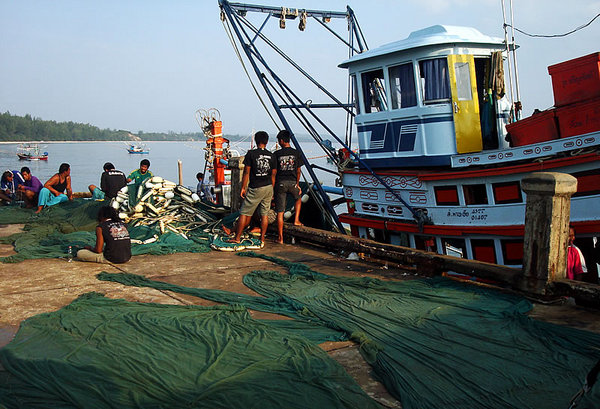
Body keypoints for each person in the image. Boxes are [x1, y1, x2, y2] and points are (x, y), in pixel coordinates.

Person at [229, 131, 276, 246]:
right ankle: (262, 239)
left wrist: (243, 188)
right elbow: (273, 175)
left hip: (256, 187)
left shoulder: (251, 154)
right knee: (264, 214)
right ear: (266, 141)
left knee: (244, 213)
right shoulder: (272, 156)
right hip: (268, 187)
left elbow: (246, 172)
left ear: (256, 140)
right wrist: (272, 189)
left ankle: (237, 238)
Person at [272, 129, 304, 244]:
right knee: (298, 198)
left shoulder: (276, 154)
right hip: (292, 182)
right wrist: (297, 183)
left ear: (281, 140)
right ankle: (296, 220)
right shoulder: (296, 153)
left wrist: (273, 186)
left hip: (280, 183)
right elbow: (299, 170)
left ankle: (280, 238)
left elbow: (274, 172)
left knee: (280, 212)